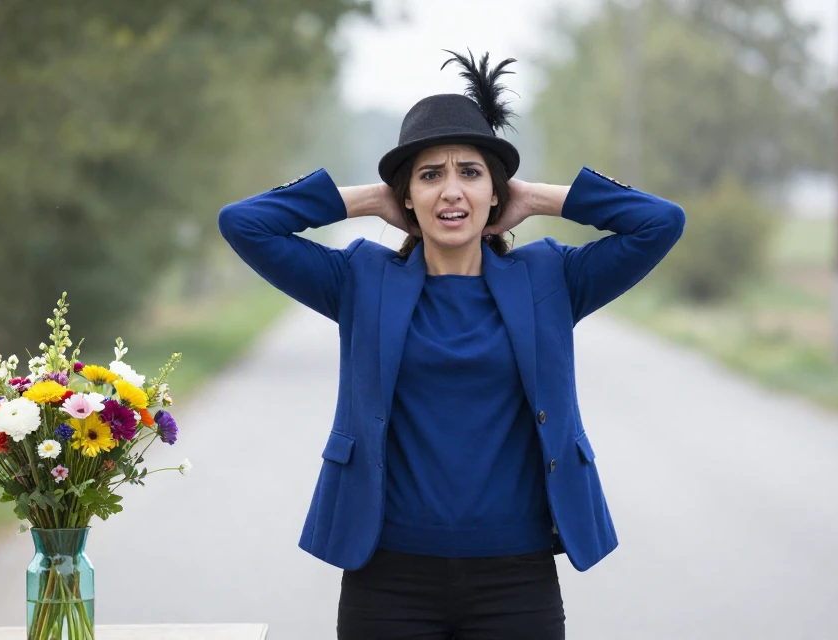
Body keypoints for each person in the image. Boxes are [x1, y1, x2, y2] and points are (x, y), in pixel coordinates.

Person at [218, 50, 685, 640]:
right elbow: (243, 223)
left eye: (470, 171)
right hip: (388, 577)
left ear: (497, 191)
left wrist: (538, 197)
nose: (451, 191)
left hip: (516, 579)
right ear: (407, 196)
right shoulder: (359, 281)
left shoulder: (552, 280)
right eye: (430, 174)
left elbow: (660, 222)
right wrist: (366, 199)